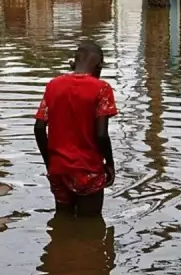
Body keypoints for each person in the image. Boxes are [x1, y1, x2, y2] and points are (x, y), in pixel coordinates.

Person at [33, 41, 118, 216]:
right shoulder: (102, 89)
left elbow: (39, 128)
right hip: (88, 171)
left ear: (73, 63)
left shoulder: (53, 85)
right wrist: (109, 164)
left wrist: (50, 163)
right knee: (90, 224)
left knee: (62, 218)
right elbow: (102, 135)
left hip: (58, 170)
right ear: (99, 66)